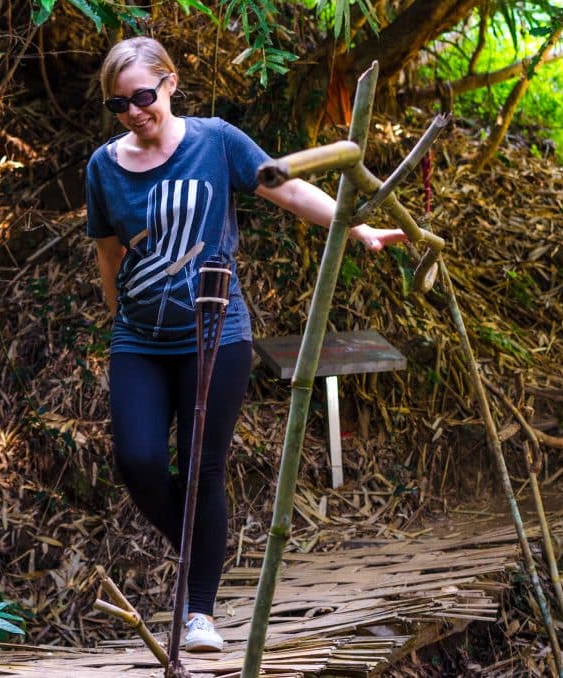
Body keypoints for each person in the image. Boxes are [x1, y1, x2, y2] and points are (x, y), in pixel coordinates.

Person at [84, 36, 406, 653]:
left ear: (170, 85)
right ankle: (204, 546)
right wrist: (116, 319)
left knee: (203, 469)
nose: (133, 113)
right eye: (118, 104)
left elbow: (286, 188)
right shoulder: (103, 166)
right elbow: (107, 251)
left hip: (217, 332)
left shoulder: (216, 141)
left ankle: (199, 612)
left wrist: (357, 225)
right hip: (139, 339)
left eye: (143, 97)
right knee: (140, 461)